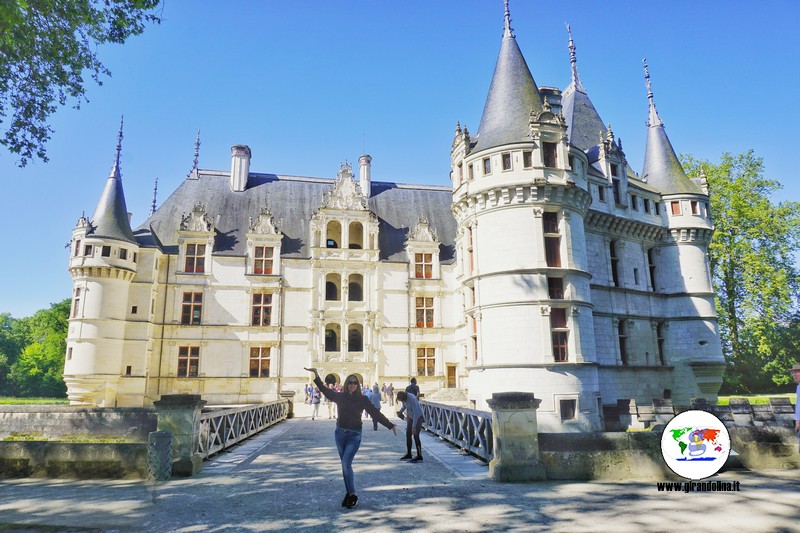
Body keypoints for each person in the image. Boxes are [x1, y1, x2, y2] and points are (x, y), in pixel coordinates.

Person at [304, 367, 397, 509]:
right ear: (346, 384)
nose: (352, 385)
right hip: (340, 434)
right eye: (350, 382)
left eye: (355, 382)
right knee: (345, 465)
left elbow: (374, 413)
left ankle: (352, 494)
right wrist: (316, 375)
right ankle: (349, 494)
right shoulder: (339, 397)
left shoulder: (363, 399)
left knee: (346, 463)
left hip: (354, 435)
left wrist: (390, 425)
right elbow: (324, 389)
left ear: (358, 385)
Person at [396, 390, 424, 462]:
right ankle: (409, 453)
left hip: (418, 417)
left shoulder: (412, 399)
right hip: (411, 416)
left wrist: (414, 426)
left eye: (402, 400)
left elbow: (416, 413)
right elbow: (404, 406)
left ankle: (419, 455)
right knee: (408, 434)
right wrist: (400, 412)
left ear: (404, 397)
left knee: (415, 435)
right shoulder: (404, 399)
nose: (402, 401)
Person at [791, 363, 800, 450]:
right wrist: (797, 421)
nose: (794, 375)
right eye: (793, 373)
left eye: (796, 372)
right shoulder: (798, 387)